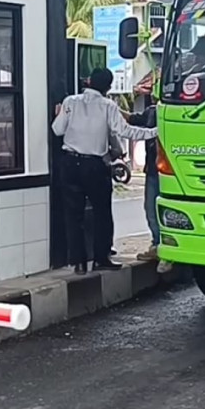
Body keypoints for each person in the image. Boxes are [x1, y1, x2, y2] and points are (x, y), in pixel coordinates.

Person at [52, 68, 157, 274]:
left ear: (89, 81)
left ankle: (79, 263)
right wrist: (155, 132)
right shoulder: (108, 106)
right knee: (102, 213)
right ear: (108, 87)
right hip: (95, 166)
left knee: (74, 214)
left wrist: (60, 115)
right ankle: (101, 258)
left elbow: (57, 130)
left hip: (70, 163)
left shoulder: (70, 102)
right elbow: (125, 131)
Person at [126, 99, 171, 273]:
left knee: (167, 212)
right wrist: (110, 107)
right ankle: (157, 245)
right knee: (151, 209)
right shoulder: (151, 112)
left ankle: (168, 251)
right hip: (153, 169)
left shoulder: (175, 109)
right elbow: (132, 119)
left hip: (172, 170)